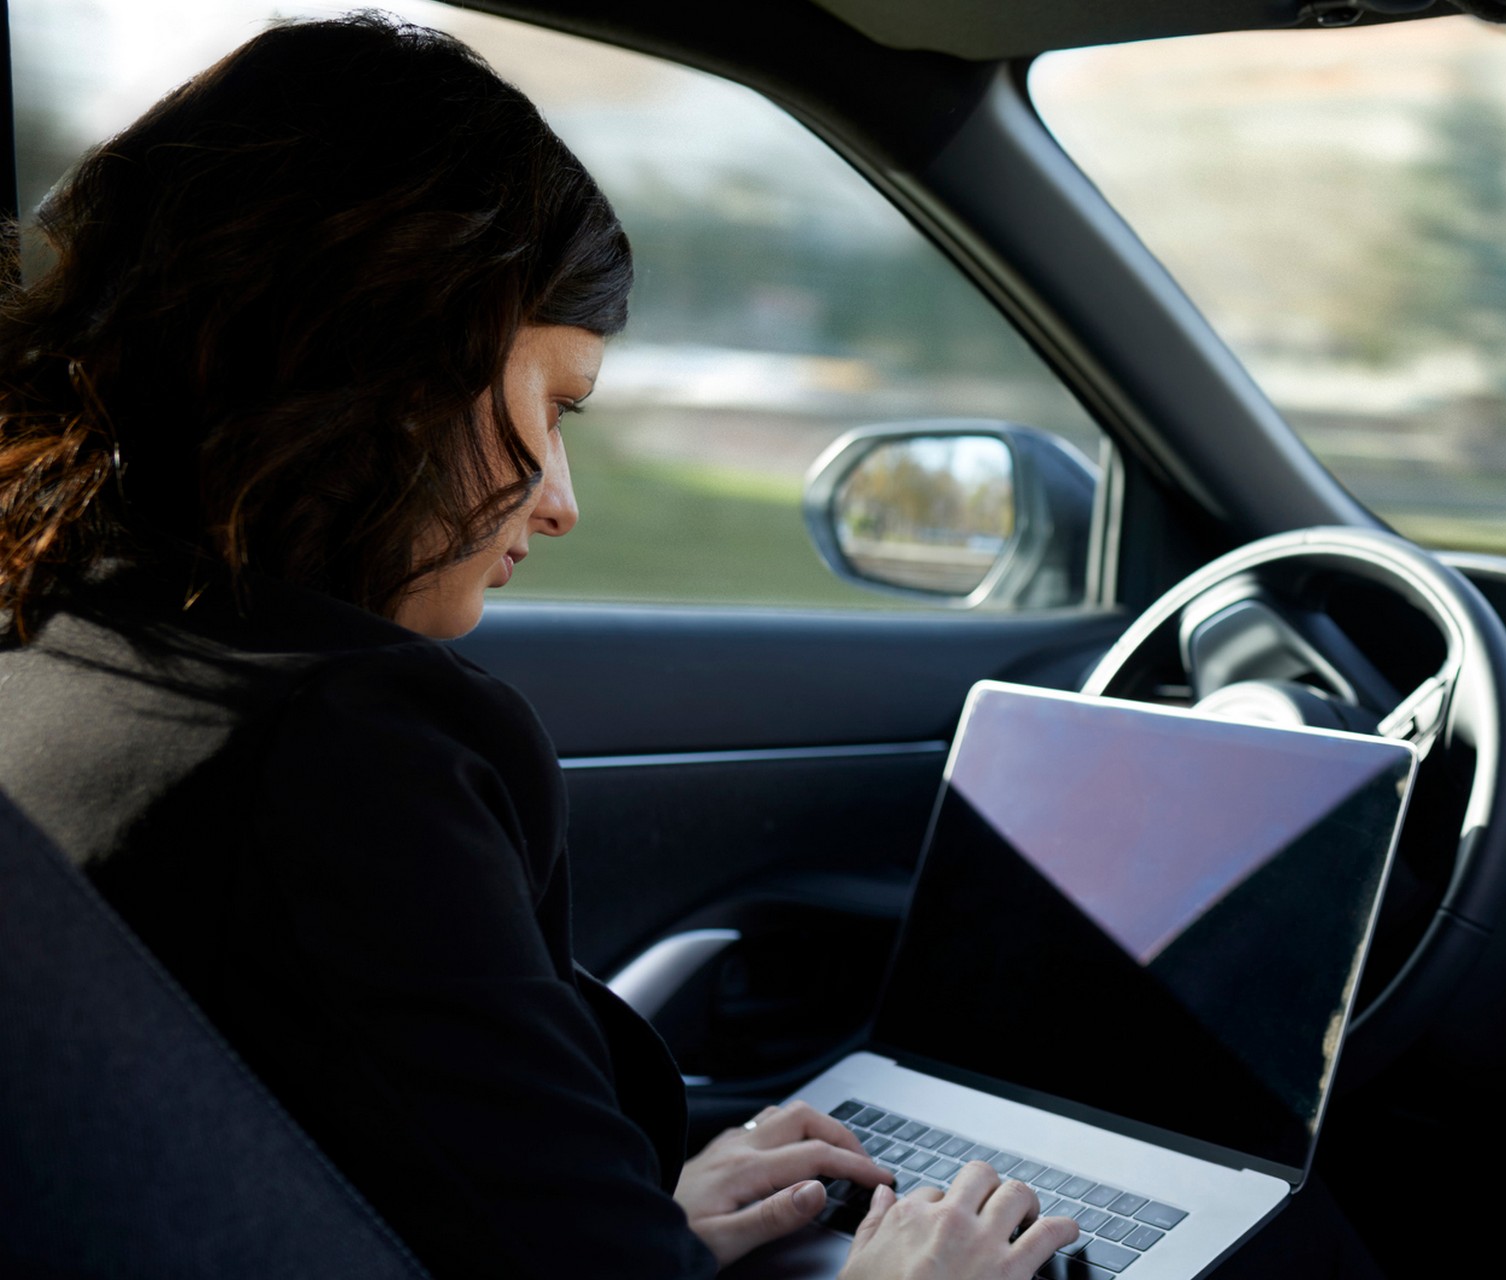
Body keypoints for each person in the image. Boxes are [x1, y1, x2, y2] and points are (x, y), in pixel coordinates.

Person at [0, 15, 1077, 1279]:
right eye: (553, 405)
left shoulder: (56, 647)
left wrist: (628, 1220)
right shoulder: (342, 749)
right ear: (392, 363)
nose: (560, 500)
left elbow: (334, 1159)